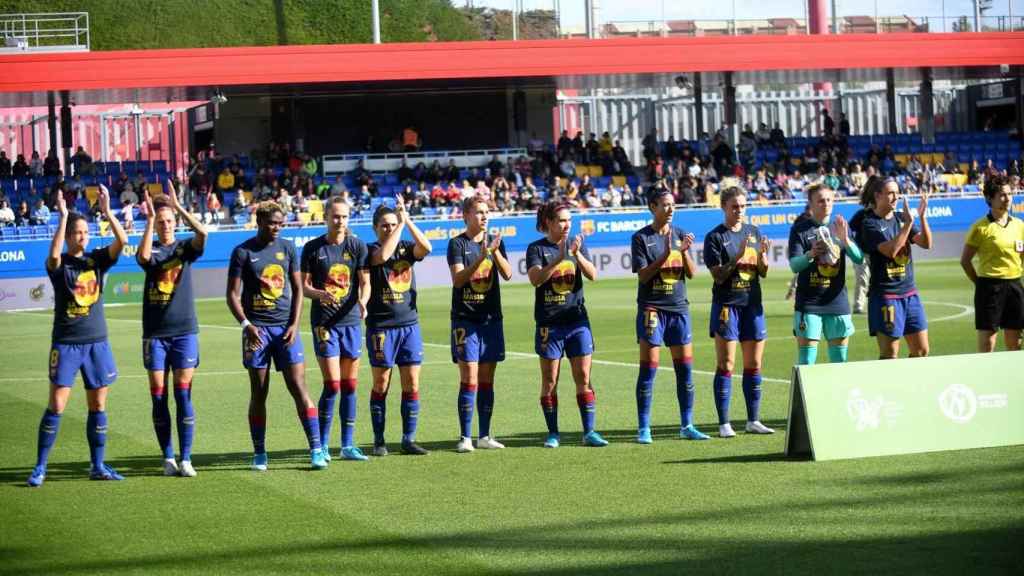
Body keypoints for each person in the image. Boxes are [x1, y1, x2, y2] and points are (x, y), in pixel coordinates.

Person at [28, 185, 128, 487]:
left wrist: (108, 211)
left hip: (97, 341)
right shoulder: (60, 266)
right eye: (77, 233)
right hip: (67, 343)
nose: (83, 236)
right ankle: (40, 467)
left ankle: (97, 466)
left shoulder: (97, 259)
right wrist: (61, 218)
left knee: (97, 405)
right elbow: (54, 256)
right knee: (57, 405)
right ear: (69, 236)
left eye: (85, 232)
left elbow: (122, 241)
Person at [226, 202, 327, 471]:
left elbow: (297, 289)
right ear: (259, 221)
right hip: (256, 331)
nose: (277, 228)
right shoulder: (243, 252)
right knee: (259, 393)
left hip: (285, 330)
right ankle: (259, 453)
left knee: (299, 387)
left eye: (281, 224)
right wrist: (246, 324)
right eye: (272, 223)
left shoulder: (288, 248)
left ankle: (316, 449)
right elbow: (232, 295)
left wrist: (294, 325)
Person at [137, 181, 207, 477]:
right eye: (161, 221)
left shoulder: (184, 249)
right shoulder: (150, 249)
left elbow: (203, 234)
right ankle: (168, 457)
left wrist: (179, 207)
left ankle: (186, 458)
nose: (165, 225)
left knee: (183, 395)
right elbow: (142, 259)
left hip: (184, 332)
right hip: (155, 335)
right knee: (158, 396)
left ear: (175, 222)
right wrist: (150, 220)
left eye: (169, 221)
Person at [526, 200, 609, 449]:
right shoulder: (537, 249)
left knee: (583, 376)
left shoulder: (578, 245)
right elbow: (535, 279)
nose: (566, 225)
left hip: (577, 322)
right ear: (549, 222)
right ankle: (553, 433)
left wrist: (575, 256)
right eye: (561, 220)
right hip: (549, 324)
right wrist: (558, 259)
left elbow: (593, 275)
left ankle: (589, 431)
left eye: (569, 221)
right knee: (550, 380)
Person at [631, 188, 709, 444]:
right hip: (652, 309)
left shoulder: (679, 234)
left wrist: (684, 251)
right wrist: (666, 255)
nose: (671, 209)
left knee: (685, 370)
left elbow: (693, 273)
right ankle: (644, 428)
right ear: (653, 207)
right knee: (648, 369)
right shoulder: (641, 238)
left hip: (678, 309)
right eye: (665, 205)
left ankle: (687, 424)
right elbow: (642, 275)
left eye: (673, 204)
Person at [300, 196, 371, 461]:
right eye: (335, 216)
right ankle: (321, 447)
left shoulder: (357, 246)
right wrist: (320, 294)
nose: (339, 221)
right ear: (326, 217)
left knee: (350, 385)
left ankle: (347, 445)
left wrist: (363, 302)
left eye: (344, 217)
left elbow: (365, 283)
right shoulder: (313, 248)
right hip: (324, 323)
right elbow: (304, 287)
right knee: (332, 384)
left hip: (351, 322)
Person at [702, 187, 774, 438]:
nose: (740, 210)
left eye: (743, 206)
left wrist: (763, 258)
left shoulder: (753, 232)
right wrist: (738, 256)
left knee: (754, 364)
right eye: (734, 206)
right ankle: (724, 423)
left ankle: (753, 420)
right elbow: (718, 276)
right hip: (727, 306)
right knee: (727, 364)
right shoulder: (715, 238)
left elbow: (762, 273)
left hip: (752, 305)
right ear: (724, 207)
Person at [365, 197, 432, 456]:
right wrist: (400, 226)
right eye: (384, 225)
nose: (389, 228)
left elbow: (426, 246)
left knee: (411, 384)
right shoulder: (369, 250)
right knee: (381, 384)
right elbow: (383, 256)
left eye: (392, 224)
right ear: (375, 228)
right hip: (382, 327)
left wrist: (407, 219)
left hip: (409, 325)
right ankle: (379, 440)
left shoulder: (406, 248)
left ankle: (408, 439)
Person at [447, 196, 513, 453]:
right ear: (466, 216)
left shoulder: (496, 242)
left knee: (488, 379)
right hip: (466, 319)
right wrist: (481, 256)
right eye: (479, 212)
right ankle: (465, 437)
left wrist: (494, 252)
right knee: (469, 377)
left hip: (491, 319)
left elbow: (507, 274)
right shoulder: (457, 244)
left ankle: (484, 435)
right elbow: (458, 279)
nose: (484, 217)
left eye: (487, 212)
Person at [787, 184, 864, 365]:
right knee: (807, 363)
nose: (826, 204)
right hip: (809, 304)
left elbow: (859, 258)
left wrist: (845, 240)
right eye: (821, 200)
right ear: (811, 204)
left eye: (829, 200)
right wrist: (811, 254)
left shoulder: (840, 227)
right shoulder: (800, 230)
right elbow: (794, 266)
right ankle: (806, 394)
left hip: (837, 303)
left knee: (839, 363)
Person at [859, 178, 932, 359]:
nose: (896, 196)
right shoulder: (870, 224)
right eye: (891, 193)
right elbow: (891, 251)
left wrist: (922, 218)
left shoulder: (900, 218)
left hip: (910, 294)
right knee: (890, 354)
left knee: (922, 351)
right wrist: (907, 225)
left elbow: (926, 243)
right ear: (877, 196)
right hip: (886, 296)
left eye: (897, 192)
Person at [960, 175, 1024, 352]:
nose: (1007, 198)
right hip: (989, 288)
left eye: (1010, 193)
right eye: (1002, 195)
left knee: (1015, 344)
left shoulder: (1019, 225)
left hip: (1015, 286)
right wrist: (979, 283)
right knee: (988, 345)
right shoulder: (980, 227)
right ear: (989, 198)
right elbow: (965, 261)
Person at [849, 176, 882, 314]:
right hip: (861, 253)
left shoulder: (881, 216)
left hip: (876, 253)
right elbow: (849, 231)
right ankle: (858, 306)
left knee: (877, 279)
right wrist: (851, 247)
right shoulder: (861, 215)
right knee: (862, 279)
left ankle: (877, 303)